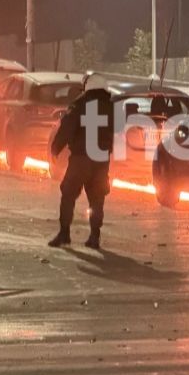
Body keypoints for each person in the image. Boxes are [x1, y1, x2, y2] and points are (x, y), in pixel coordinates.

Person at [48, 73, 115, 249]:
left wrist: (56, 148)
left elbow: (67, 126)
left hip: (81, 158)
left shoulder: (80, 103)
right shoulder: (110, 107)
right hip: (101, 159)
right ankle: (94, 237)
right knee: (97, 197)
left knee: (68, 192)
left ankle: (64, 233)